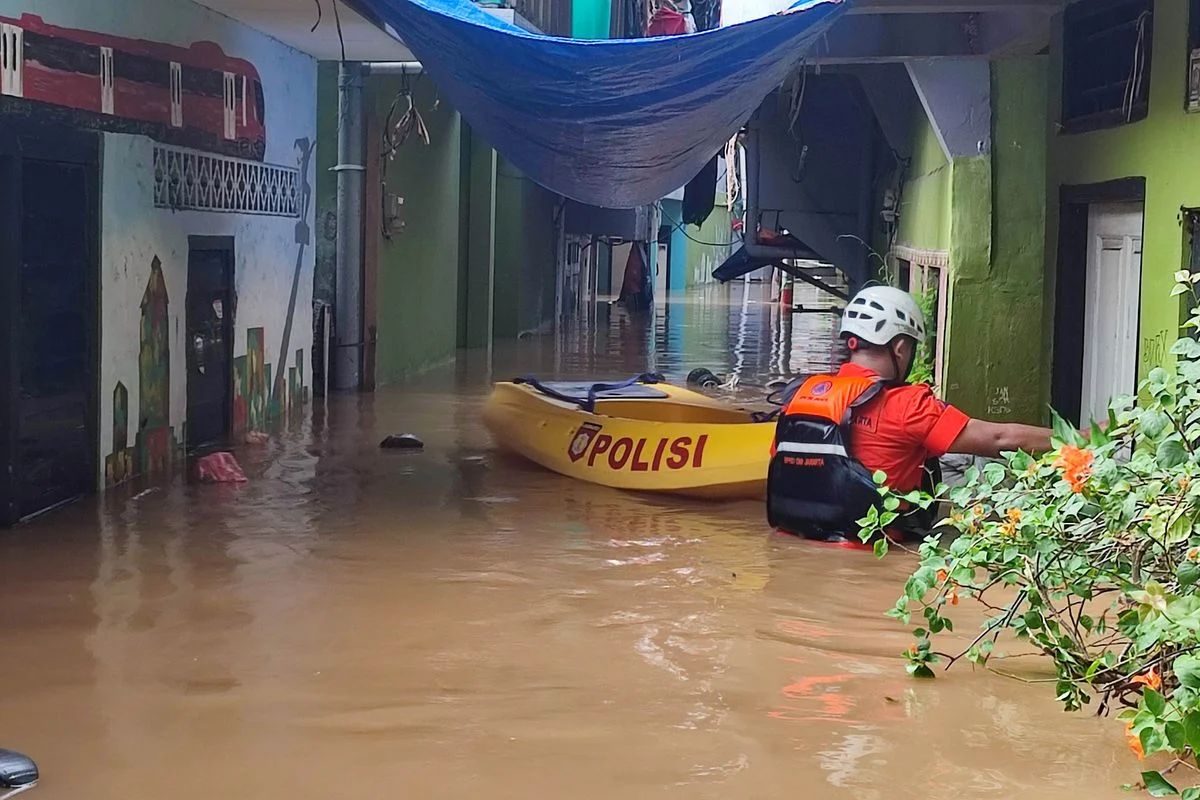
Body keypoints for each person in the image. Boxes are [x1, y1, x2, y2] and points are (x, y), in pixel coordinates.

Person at [766, 284, 1061, 545]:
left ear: (851, 342)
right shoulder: (908, 404)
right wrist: (1076, 439)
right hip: (871, 549)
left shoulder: (802, 396)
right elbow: (999, 439)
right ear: (900, 348)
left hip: (793, 540)